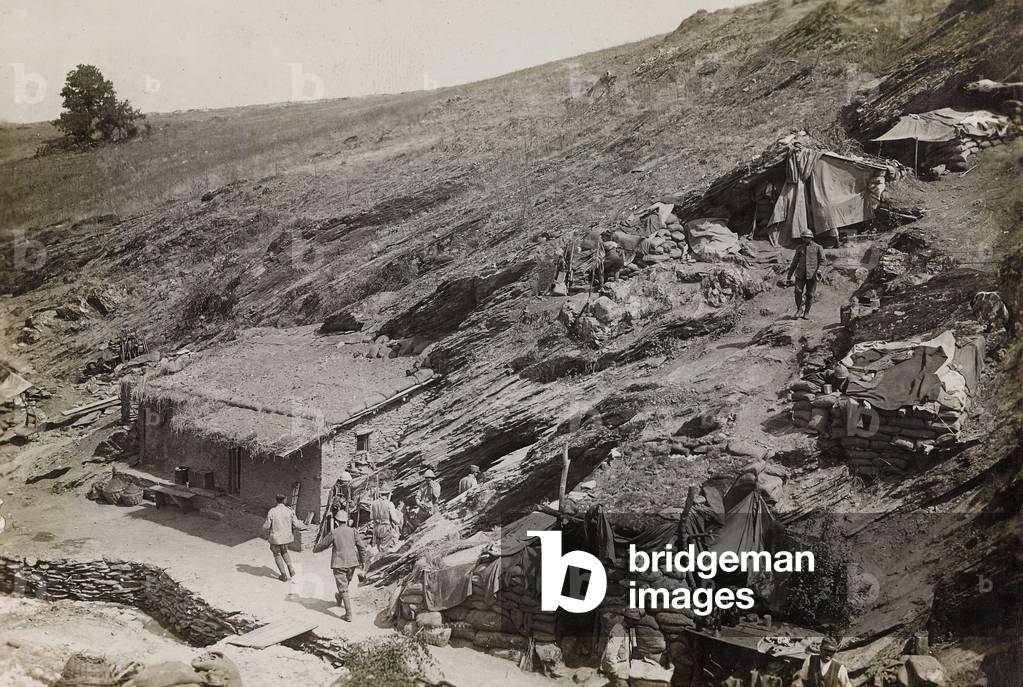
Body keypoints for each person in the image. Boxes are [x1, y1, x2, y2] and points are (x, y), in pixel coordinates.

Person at [313, 509, 368, 622]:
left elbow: (323, 544)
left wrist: (315, 549)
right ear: (347, 520)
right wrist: (363, 561)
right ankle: (339, 598)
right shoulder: (353, 531)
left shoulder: (334, 532)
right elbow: (361, 547)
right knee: (345, 584)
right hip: (352, 563)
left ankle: (348, 614)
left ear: (337, 521)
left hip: (339, 563)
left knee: (343, 588)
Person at [262, 493, 307, 582]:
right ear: (285, 500)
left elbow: (267, 526)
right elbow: (297, 524)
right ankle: (291, 568)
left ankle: (283, 575)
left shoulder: (272, 511)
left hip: (276, 538)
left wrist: (264, 529)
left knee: (277, 554)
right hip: (286, 538)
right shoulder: (290, 511)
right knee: (285, 551)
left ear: (276, 500)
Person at [786, 235, 827, 320]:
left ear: (811, 238)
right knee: (798, 291)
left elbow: (823, 261)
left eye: (806, 238)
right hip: (800, 274)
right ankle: (799, 309)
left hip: (812, 275)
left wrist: (819, 270)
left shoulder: (818, 247)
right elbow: (795, 262)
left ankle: (806, 312)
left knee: (810, 294)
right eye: (803, 237)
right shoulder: (799, 248)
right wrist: (789, 275)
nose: (804, 239)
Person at [601, 608, 639, 687]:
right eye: (634, 620)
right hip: (617, 671)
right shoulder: (618, 630)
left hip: (625, 670)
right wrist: (614, 672)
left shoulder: (631, 630)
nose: (636, 623)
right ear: (627, 619)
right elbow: (610, 654)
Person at [369, 485, 402, 554]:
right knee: (384, 549)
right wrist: (399, 522)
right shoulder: (389, 504)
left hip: (376, 528)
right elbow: (394, 519)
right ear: (388, 494)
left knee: (379, 548)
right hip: (386, 528)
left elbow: (371, 517)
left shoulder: (374, 503)